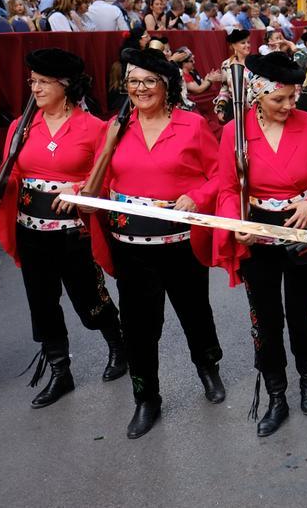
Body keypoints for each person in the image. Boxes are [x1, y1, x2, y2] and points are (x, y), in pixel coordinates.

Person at [84, 49, 225, 438]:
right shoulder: (114, 128)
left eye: (149, 81)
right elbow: (96, 184)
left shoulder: (192, 125)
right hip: (130, 247)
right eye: (133, 81)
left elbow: (220, 176)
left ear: (167, 86)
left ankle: (207, 367)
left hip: (180, 244)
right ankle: (146, 398)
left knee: (195, 312)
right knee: (138, 326)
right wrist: (104, 154)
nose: (140, 88)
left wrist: (197, 195)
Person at [0, 50, 126, 408]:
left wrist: (78, 188)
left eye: (44, 82)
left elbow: (108, 177)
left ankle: (117, 343)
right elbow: (14, 170)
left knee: (89, 300)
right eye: (33, 81)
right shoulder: (23, 125)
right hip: (31, 230)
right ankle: (60, 371)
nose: (35, 88)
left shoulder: (93, 127)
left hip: (75, 232)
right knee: (42, 303)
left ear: (66, 85)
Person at [212, 52, 307, 437]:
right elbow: (227, 188)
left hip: (301, 227)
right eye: (278, 99)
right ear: (257, 94)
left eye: (293, 97)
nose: (289, 105)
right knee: (265, 317)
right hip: (257, 228)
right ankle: (275, 393)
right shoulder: (235, 131)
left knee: (303, 312)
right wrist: (237, 223)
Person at [212, 29, 253, 122]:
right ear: (234, 45)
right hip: (234, 110)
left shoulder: (255, 63)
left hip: (253, 110)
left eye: (248, 42)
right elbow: (224, 89)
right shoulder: (226, 65)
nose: (247, 45)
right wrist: (221, 108)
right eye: (243, 43)